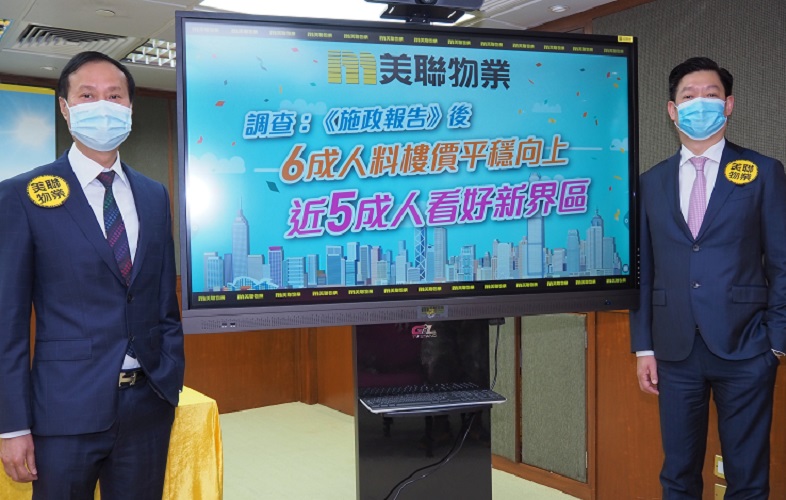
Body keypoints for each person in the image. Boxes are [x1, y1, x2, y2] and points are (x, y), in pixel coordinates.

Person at [0, 51, 185, 499]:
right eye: (87, 95)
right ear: (65, 109)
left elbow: (164, 301)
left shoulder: (154, 195)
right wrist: (12, 425)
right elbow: (7, 322)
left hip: (148, 406)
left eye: (114, 95)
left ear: (130, 107)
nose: (102, 105)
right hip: (63, 409)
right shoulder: (23, 195)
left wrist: (169, 377)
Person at [630, 56, 786, 498]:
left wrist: (776, 343)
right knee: (677, 475)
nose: (700, 104)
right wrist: (644, 347)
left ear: (729, 104)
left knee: (747, 477)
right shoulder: (650, 183)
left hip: (747, 348)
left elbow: (782, 262)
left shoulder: (763, 172)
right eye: (689, 96)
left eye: (711, 95)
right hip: (674, 351)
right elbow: (644, 270)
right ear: (672, 110)